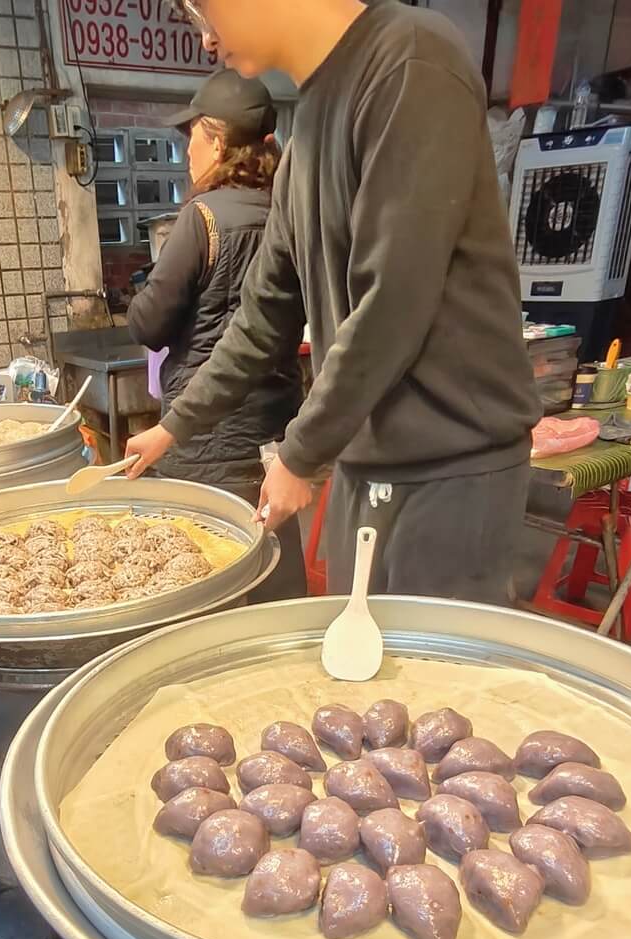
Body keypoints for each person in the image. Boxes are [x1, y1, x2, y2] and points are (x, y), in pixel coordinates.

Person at [125, 0, 542, 603]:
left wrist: (298, 453)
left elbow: (393, 301)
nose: (207, 39)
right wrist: (174, 427)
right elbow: (263, 316)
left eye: (201, 9)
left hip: (451, 464)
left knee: (432, 686)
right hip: (362, 460)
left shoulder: (409, 63)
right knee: (354, 679)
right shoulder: (306, 132)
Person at [126, 69, 307, 600]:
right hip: (277, 427)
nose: (186, 151)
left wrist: (147, 289)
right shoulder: (289, 214)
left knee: (205, 569)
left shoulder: (201, 218)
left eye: (193, 137)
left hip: (205, 435)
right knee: (274, 553)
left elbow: (148, 324)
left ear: (219, 140)